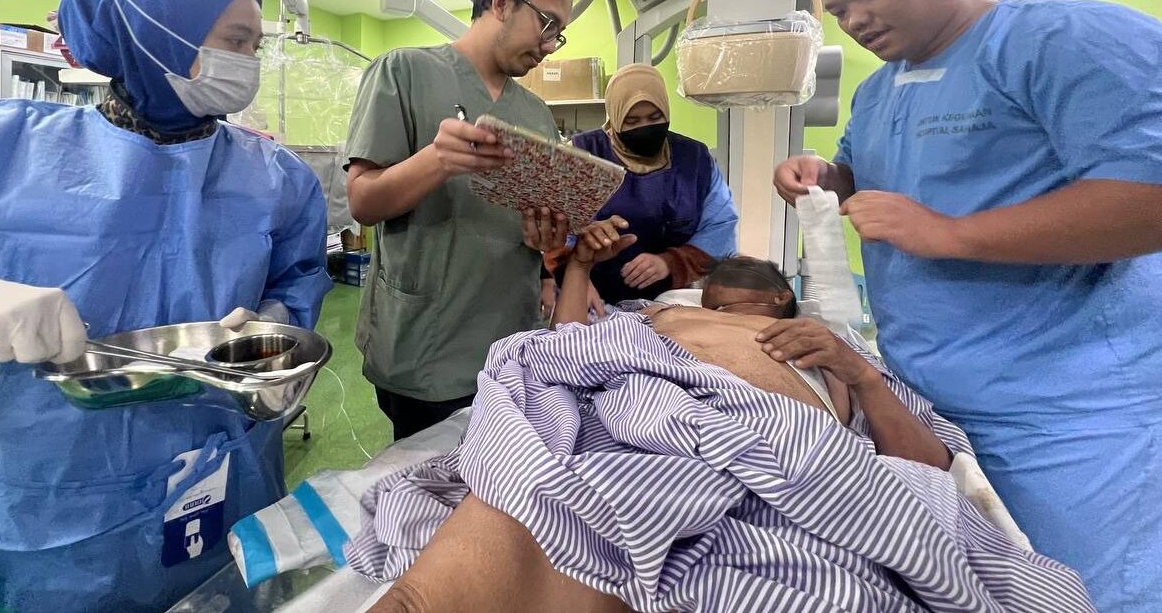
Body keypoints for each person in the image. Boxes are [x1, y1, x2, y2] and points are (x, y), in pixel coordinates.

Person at [0, 0, 333, 613]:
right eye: (236, 42)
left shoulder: (277, 179)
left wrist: (273, 327)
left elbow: (297, 282)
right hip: (42, 501)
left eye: (254, 47)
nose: (249, 64)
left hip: (217, 471)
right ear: (159, 37)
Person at [350, 216, 1092, 612]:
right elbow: (568, 345)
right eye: (716, 303)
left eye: (744, 304)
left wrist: (859, 372)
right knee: (435, 591)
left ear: (781, 301)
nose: (726, 311)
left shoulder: (828, 348)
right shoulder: (656, 316)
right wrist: (577, 267)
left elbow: (928, 466)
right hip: (621, 404)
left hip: (763, 434)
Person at [773, 0, 1162, 610]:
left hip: (1067, 411)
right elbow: (862, 175)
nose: (854, 19)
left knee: (1087, 593)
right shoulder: (879, 91)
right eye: (840, 9)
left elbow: (1148, 197)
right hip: (929, 398)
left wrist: (952, 234)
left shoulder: (1061, 39)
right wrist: (822, 178)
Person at [344, 0, 579, 440]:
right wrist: (437, 160)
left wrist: (545, 238)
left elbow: (524, 228)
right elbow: (363, 202)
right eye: (546, 24)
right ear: (502, 2)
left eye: (558, 33)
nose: (549, 45)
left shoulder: (536, 114)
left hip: (512, 345)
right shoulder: (403, 71)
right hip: (427, 344)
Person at [566, 64, 737, 309]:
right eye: (632, 121)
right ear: (614, 118)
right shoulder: (582, 154)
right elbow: (558, 230)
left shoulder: (695, 160)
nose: (644, 127)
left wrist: (672, 262)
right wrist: (575, 278)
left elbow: (720, 228)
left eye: (655, 118)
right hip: (589, 298)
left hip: (667, 302)